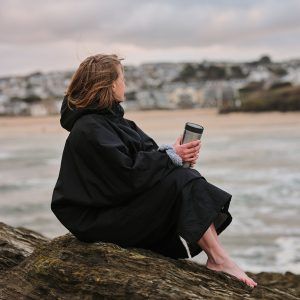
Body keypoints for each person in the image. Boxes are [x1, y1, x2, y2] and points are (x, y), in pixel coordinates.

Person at [51, 54, 257, 288]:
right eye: (122, 78)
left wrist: (175, 152)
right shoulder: (89, 128)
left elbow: (143, 155)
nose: (125, 84)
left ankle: (219, 258)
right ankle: (219, 259)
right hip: (96, 220)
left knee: (183, 178)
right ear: (109, 84)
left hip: (113, 208)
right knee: (182, 179)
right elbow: (125, 175)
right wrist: (171, 158)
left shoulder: (111, 121)